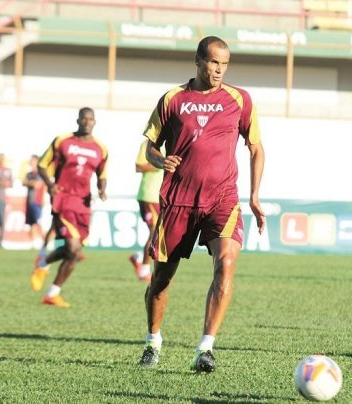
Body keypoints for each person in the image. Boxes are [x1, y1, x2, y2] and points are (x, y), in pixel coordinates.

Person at [137, 36, 266, 373]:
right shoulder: (173, 99)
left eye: (224, 63)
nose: (219, 69)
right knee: (162, 280)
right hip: (178, 200)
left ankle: (205, 349)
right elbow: (150, 146)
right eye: (213, 62)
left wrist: (253, 195)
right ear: (198, 61)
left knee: (226, 262)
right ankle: (153, 342)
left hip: (222, 199)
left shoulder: (240, 100)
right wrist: (159, 159)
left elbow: (255, 147)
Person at [29, 107, 108, 308]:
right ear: (78, 120)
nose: (87, 122)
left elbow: (102, 174)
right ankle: (49, 281)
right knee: (73, 249)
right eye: (84, 118)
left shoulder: (101, 148)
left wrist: (101, 189)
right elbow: (42, 164)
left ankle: (48, 279)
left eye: (91, 119)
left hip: (83, 203)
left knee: (74, 251)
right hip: (63, 199)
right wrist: (49, 184)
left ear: (95, 122)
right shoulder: (62, 141)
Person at [128, 139, 163, 282]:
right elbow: (139, 166)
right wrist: (161, 163)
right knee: (154, 231)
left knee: (161, 234)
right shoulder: (148, 143)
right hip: (149, 195)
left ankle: (138, 256)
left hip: (163, 196)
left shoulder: (174, 142)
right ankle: (144, 272)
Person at [22, 154, 46, 249]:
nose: (31, 163)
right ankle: (32, 244)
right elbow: (23, 182)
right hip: (29, 201)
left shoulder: (41, 174)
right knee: (31, 223)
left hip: (37, 201)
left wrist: (29, 183)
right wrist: (29, 183)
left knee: (38, 223)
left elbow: (37, 185)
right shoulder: (29, 174)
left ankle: (46, 242)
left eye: (33, 161)